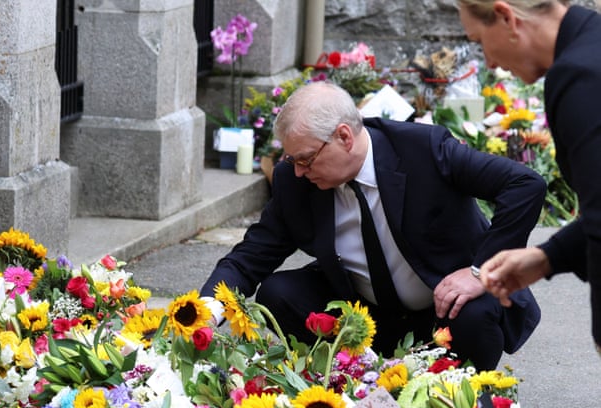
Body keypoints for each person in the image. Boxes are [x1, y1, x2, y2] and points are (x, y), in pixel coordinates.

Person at [200, 81, 546, 370]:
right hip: (363, 319)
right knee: (279, 292)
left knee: (476, 311)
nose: (299, 171)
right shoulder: (297, 182)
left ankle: (463, 399)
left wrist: (478, 272)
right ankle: (349, 377)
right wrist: (203, 314)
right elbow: (250, 257)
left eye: (306, 159)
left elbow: (524, 185)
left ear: (344, 136)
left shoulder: (423, 151)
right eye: (293, 160)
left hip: (443, 314)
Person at [457, 0, 601, 408]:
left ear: (507, 16)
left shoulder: (578, 76)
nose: (491, 63)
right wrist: (545, 258)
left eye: (481, 44)